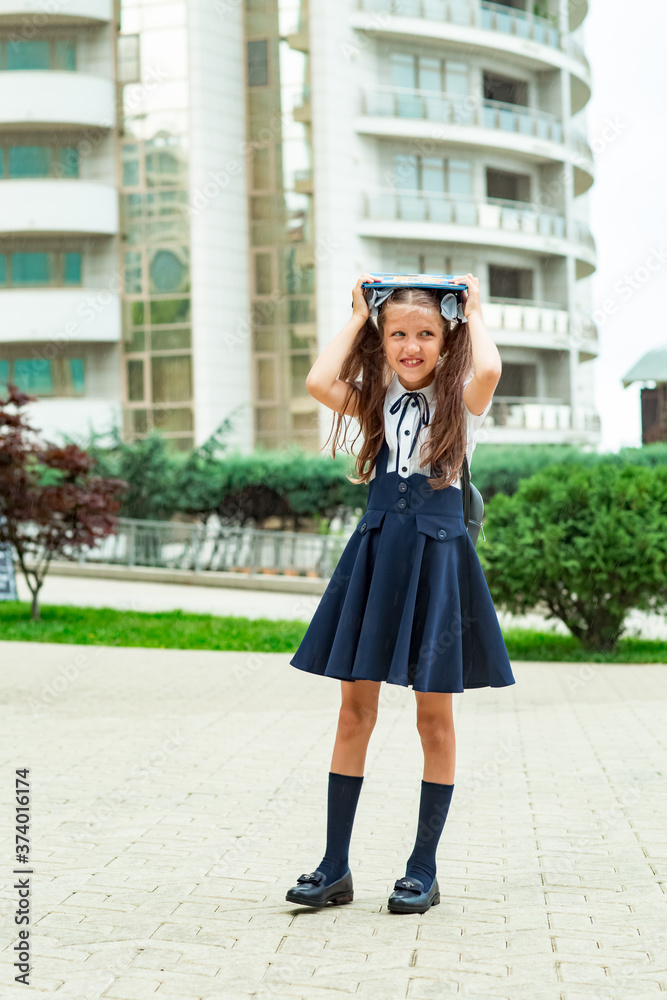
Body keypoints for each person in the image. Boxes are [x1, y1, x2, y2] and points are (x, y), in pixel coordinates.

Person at [285, 272, 516, 915]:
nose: (410, 346)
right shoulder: (376, 399)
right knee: (353, 712)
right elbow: (318, 381)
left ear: (447, 340)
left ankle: (423, 869)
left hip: (438, 562)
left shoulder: (462, 402)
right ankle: (334, 868)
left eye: (425, 334)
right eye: (398, 334)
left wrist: (474, 311)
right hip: (378, 553)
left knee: (432, 719)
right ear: (382, 341)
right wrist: (359, 316)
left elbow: (490, 368)